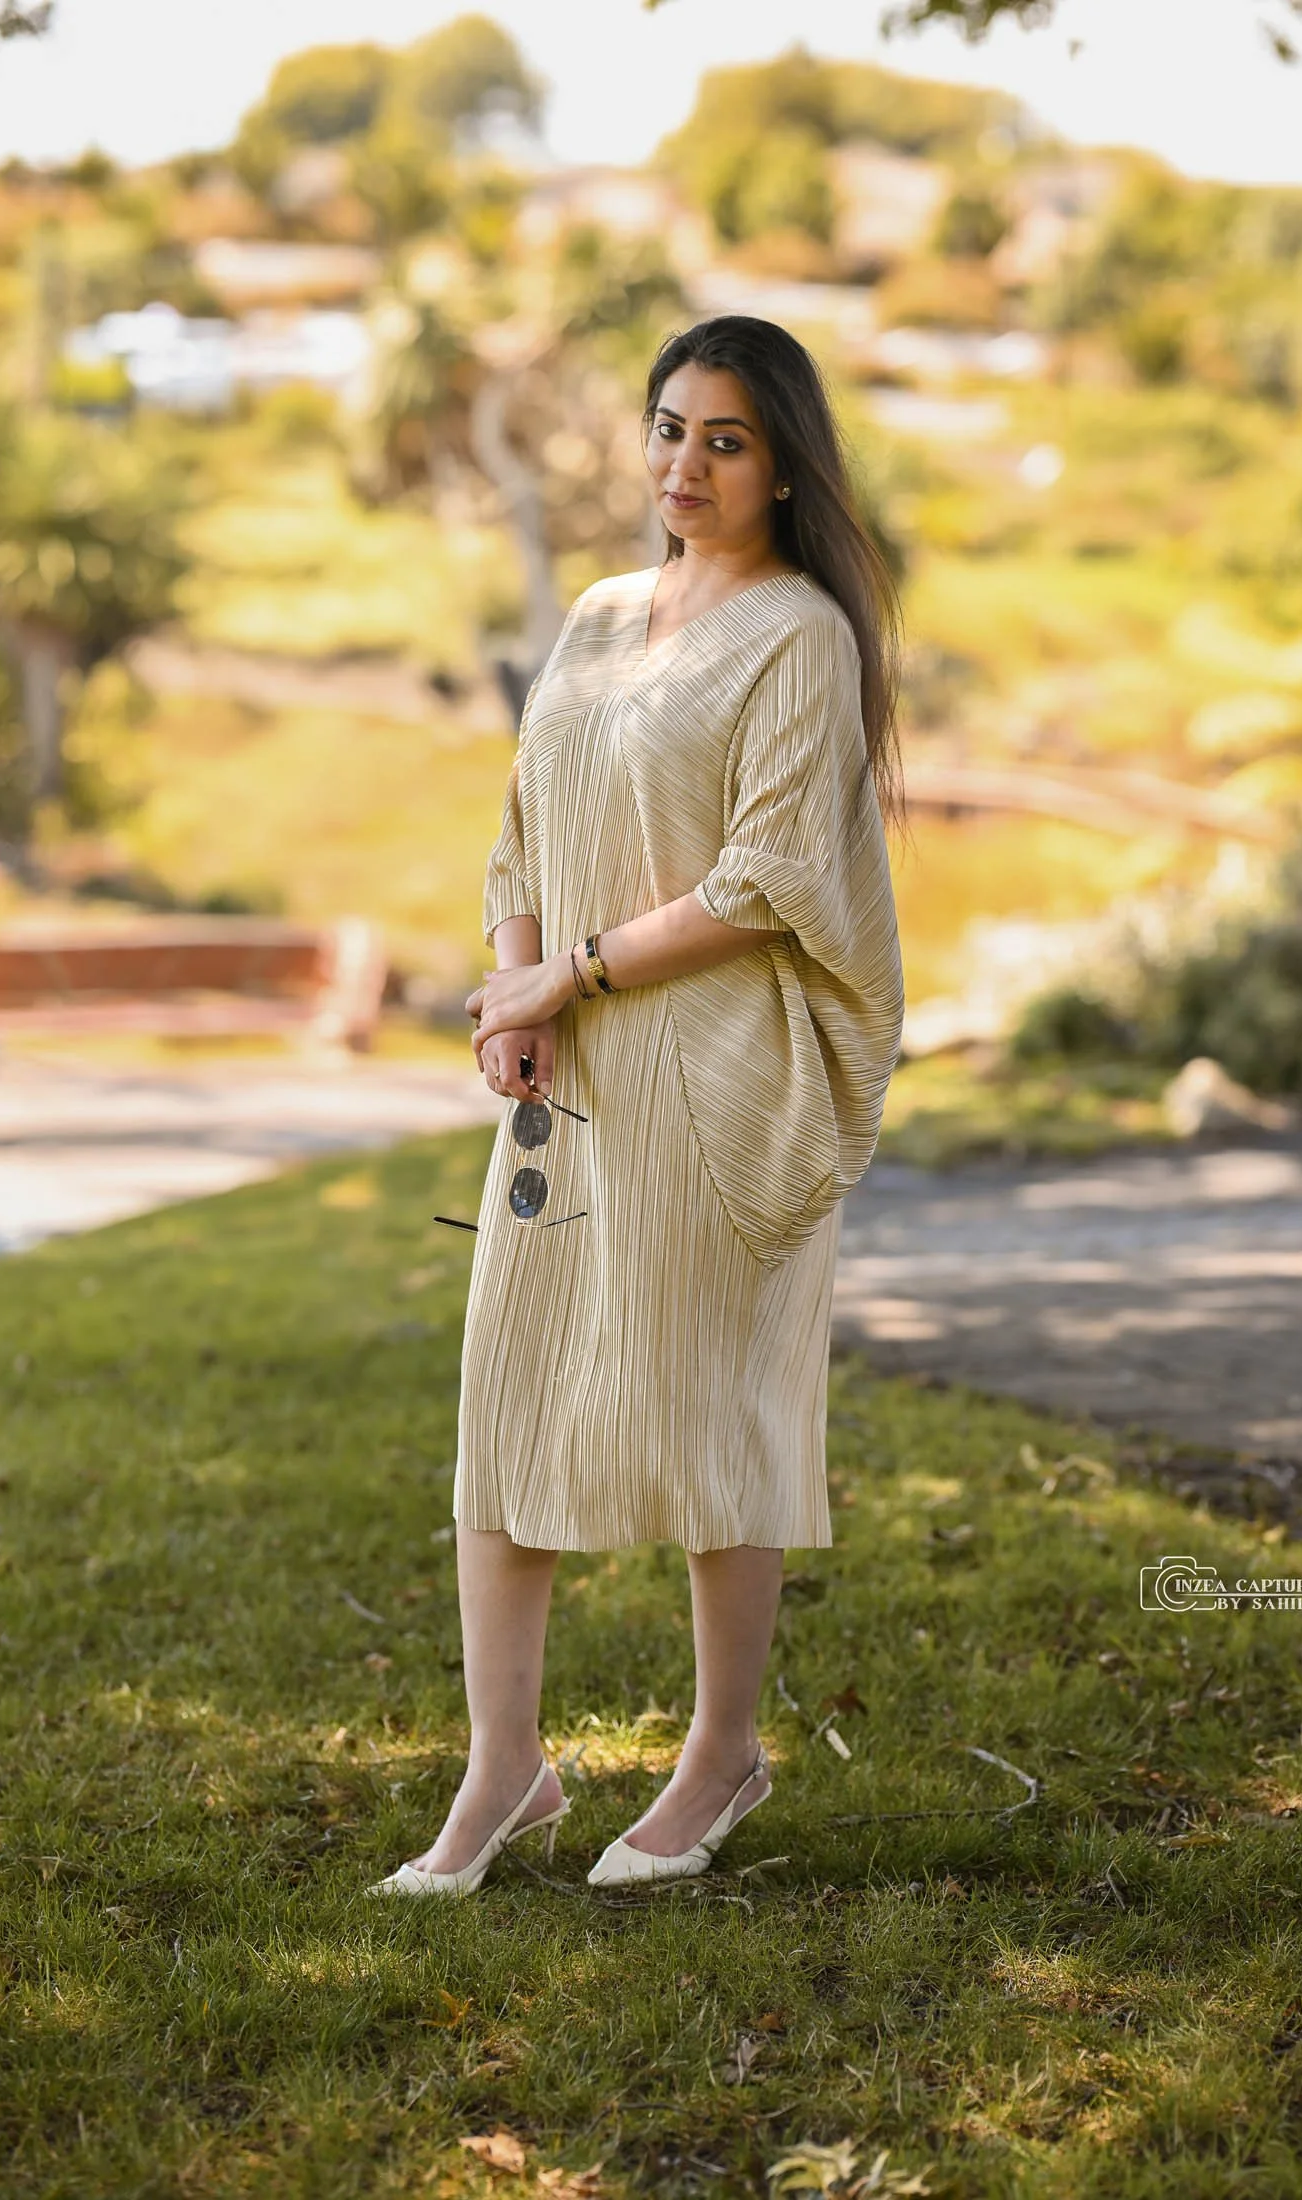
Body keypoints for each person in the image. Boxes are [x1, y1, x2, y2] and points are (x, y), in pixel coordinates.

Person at [369, 314, 905, 1896]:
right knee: (509, 1406)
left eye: (725, 440)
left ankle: (722, 1756)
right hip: (576, 1071)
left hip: (719, 1075)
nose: (684, 464)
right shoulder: (601, 617)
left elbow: (766, 883)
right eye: (668, 428)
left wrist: (568, 978)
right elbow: (526, 820)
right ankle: (504, 1774)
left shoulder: (797, 634)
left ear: (782, 465)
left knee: (704, 1414)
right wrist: (516, 983)